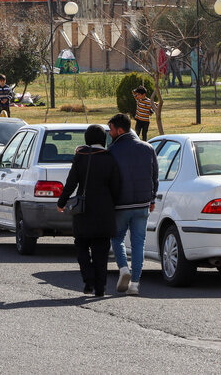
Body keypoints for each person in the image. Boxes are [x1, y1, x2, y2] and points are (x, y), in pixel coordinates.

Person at [57, 125, 121, 297]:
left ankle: (88, 280)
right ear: (103, 139)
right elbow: (116, 187)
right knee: (101, 251)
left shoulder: (81, 157)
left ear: (87, 139)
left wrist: (61, 202)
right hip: (104, 211)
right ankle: (100, 288)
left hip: (83, 211)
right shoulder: (110, 158)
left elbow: (71, 182)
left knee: (81, 246)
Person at [107, 113, 158, 296]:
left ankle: (123, 268)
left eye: (111, 129)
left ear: (120, 130)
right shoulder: (148, 148)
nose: (110, 132)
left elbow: (109, 179)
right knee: (139, 244)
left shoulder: (112, 151)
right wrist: (152, 199)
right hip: (143, 204)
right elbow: (154, 176)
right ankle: (135, 284)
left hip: (121, 205)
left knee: (117, 238)